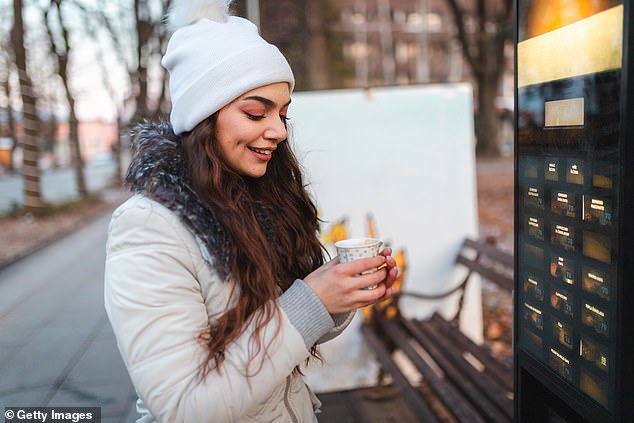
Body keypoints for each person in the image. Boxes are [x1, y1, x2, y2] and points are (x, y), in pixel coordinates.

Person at [104, 1, 398, 422]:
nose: (279, 130)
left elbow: (283, 330)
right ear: (205, 116)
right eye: (256, 112)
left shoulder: (255, 198)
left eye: (283, 113)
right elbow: (183, 406)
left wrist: (339, 295)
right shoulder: (147, 227)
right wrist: (312, 299)